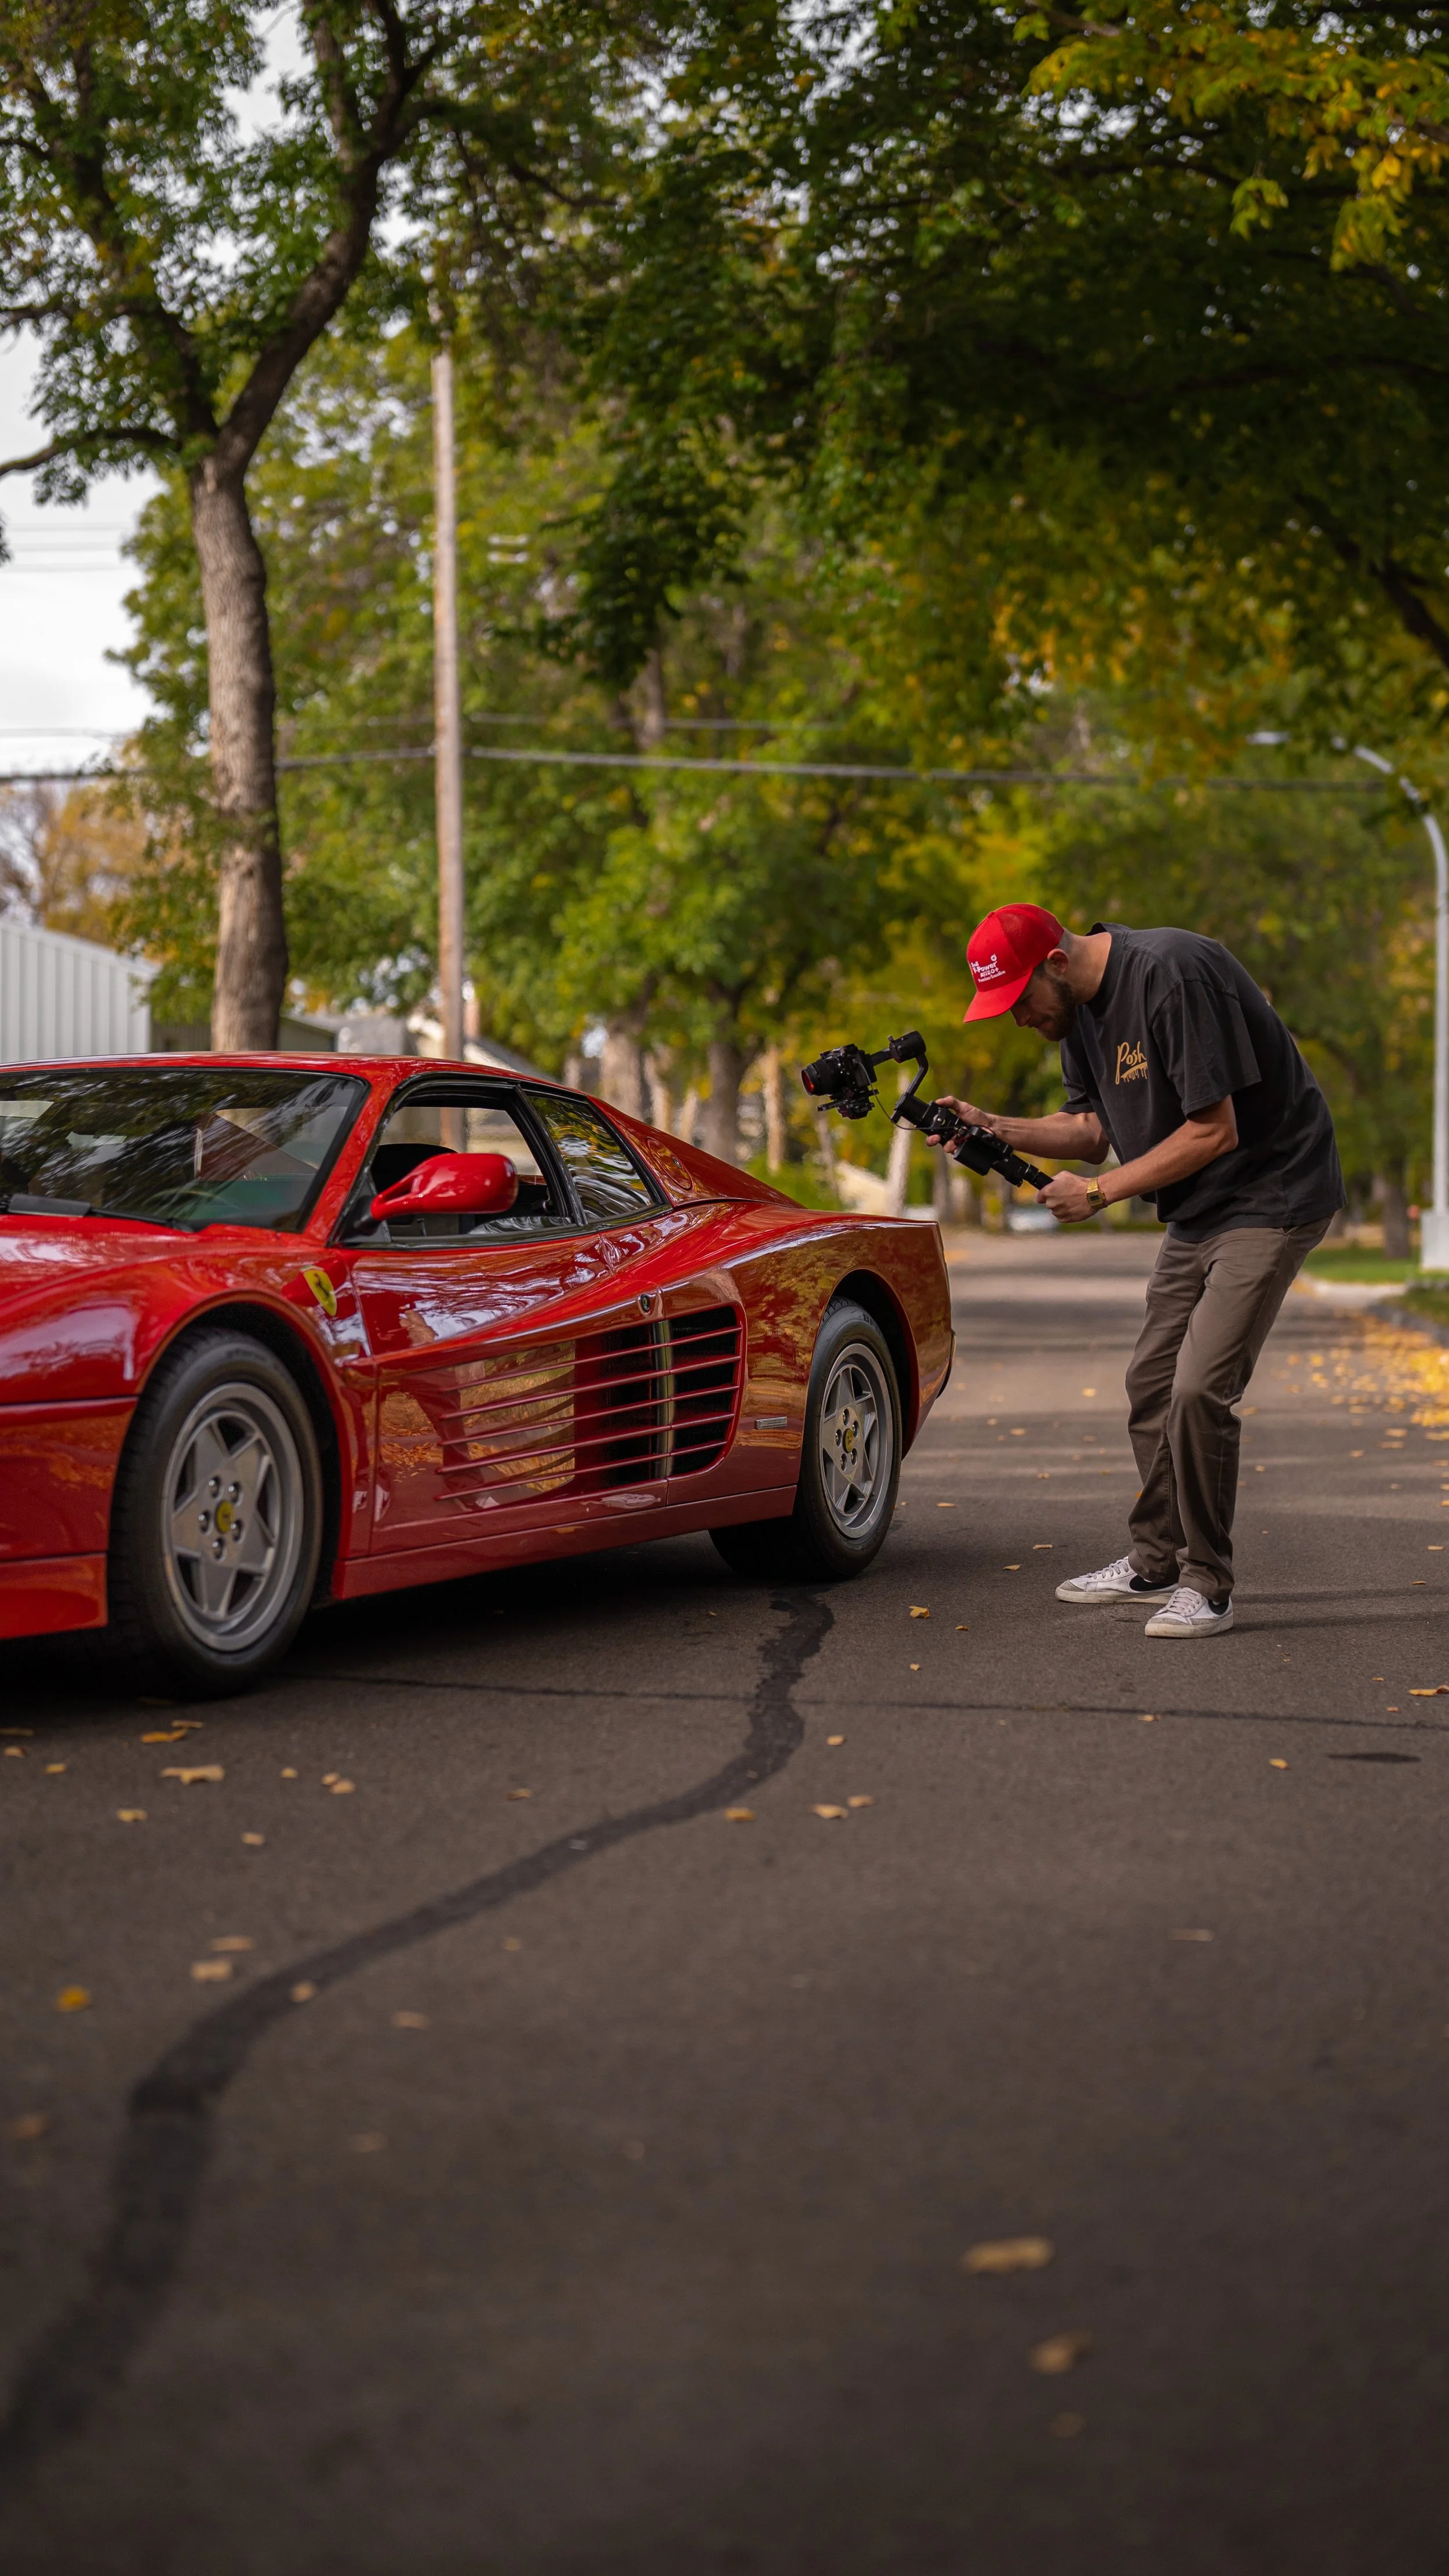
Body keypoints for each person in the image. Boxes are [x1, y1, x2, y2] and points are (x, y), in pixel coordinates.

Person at [935, 903, 1345, 1639]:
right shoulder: (1079, 1013)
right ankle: (1155, 1560)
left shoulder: (1171, 974)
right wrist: (994, 1127)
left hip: (1272, 1191)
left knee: (1197, 1390)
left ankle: (1208, 1584)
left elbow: (1213, 1129)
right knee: (1150, 1385)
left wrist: (1098, 1196)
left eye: (1018, 1002)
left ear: (1055, 964)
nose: (1018, 1021)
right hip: (1197, 1208)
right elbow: (1092, 1131)